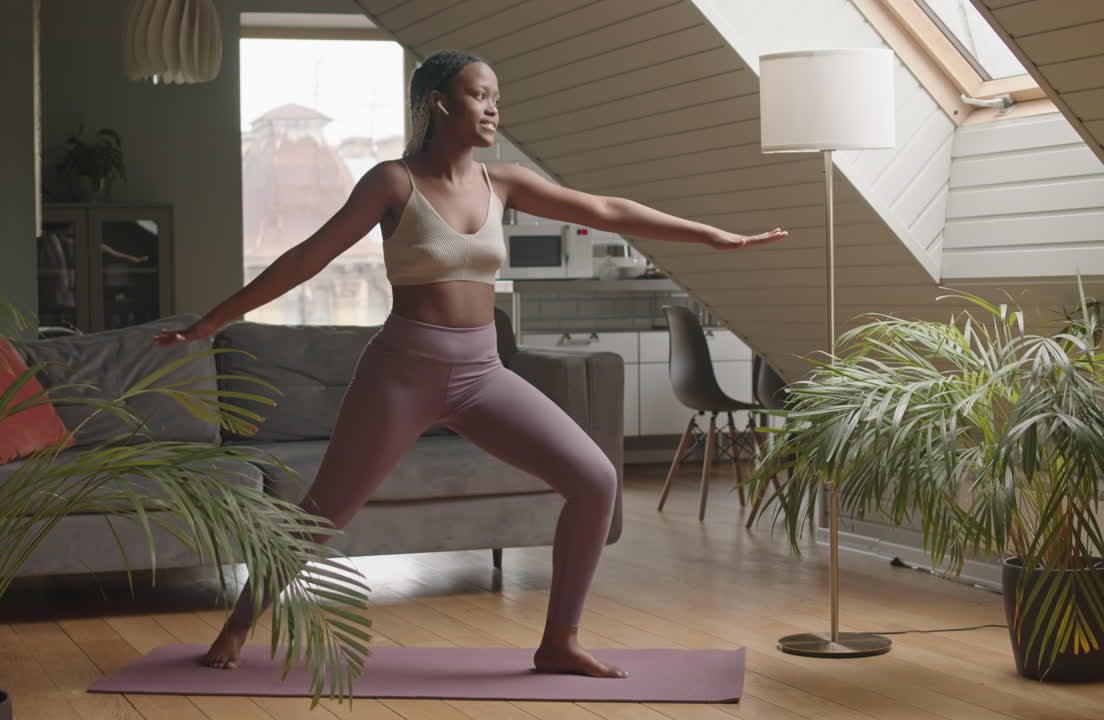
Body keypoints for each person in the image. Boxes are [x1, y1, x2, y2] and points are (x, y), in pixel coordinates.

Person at [156, 49, 786, 678]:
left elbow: (604, 209)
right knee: (322, 516)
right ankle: (239, 625)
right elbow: (307, 258)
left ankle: (558, 642)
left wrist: (710, 236)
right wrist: (213, 321)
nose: (492, 109)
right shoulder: (392, 181)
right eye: (480, 95)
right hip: (401, 374)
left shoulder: (503, 181)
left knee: (595, 481)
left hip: (482, 374)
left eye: (495, 99)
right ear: (440, 102)